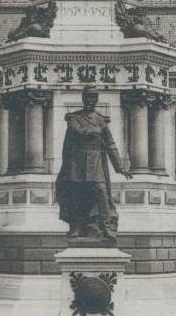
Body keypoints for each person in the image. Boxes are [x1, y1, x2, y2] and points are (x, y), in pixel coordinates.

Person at [55, 87, 132, 241]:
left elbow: (110, 145)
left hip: (95, 162)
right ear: (83, 99)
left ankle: (105, 226)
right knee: (77, 194)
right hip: (77, 162)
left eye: (94, 98)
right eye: (88, 97)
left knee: (102, 193)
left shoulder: (100, 119)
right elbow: (78, 131)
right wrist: (95, 130)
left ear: (96, 100)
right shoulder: (74, 118)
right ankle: (77, 225)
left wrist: (120, 167)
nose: (91, 101)